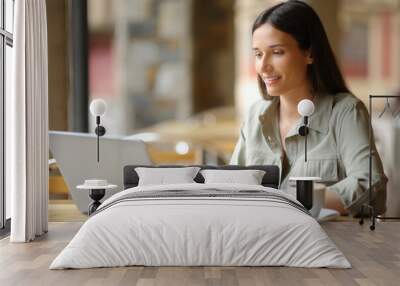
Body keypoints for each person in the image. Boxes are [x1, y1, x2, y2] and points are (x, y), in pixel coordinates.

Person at [230, 0, 387, 216]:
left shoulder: (345, 112)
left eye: (277, 52)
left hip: (328, 246)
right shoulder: (255, 115)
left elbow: (370, 185)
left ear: (310, 53)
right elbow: (231, 186)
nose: (263, 66)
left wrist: (290, 202)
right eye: (258, 54)